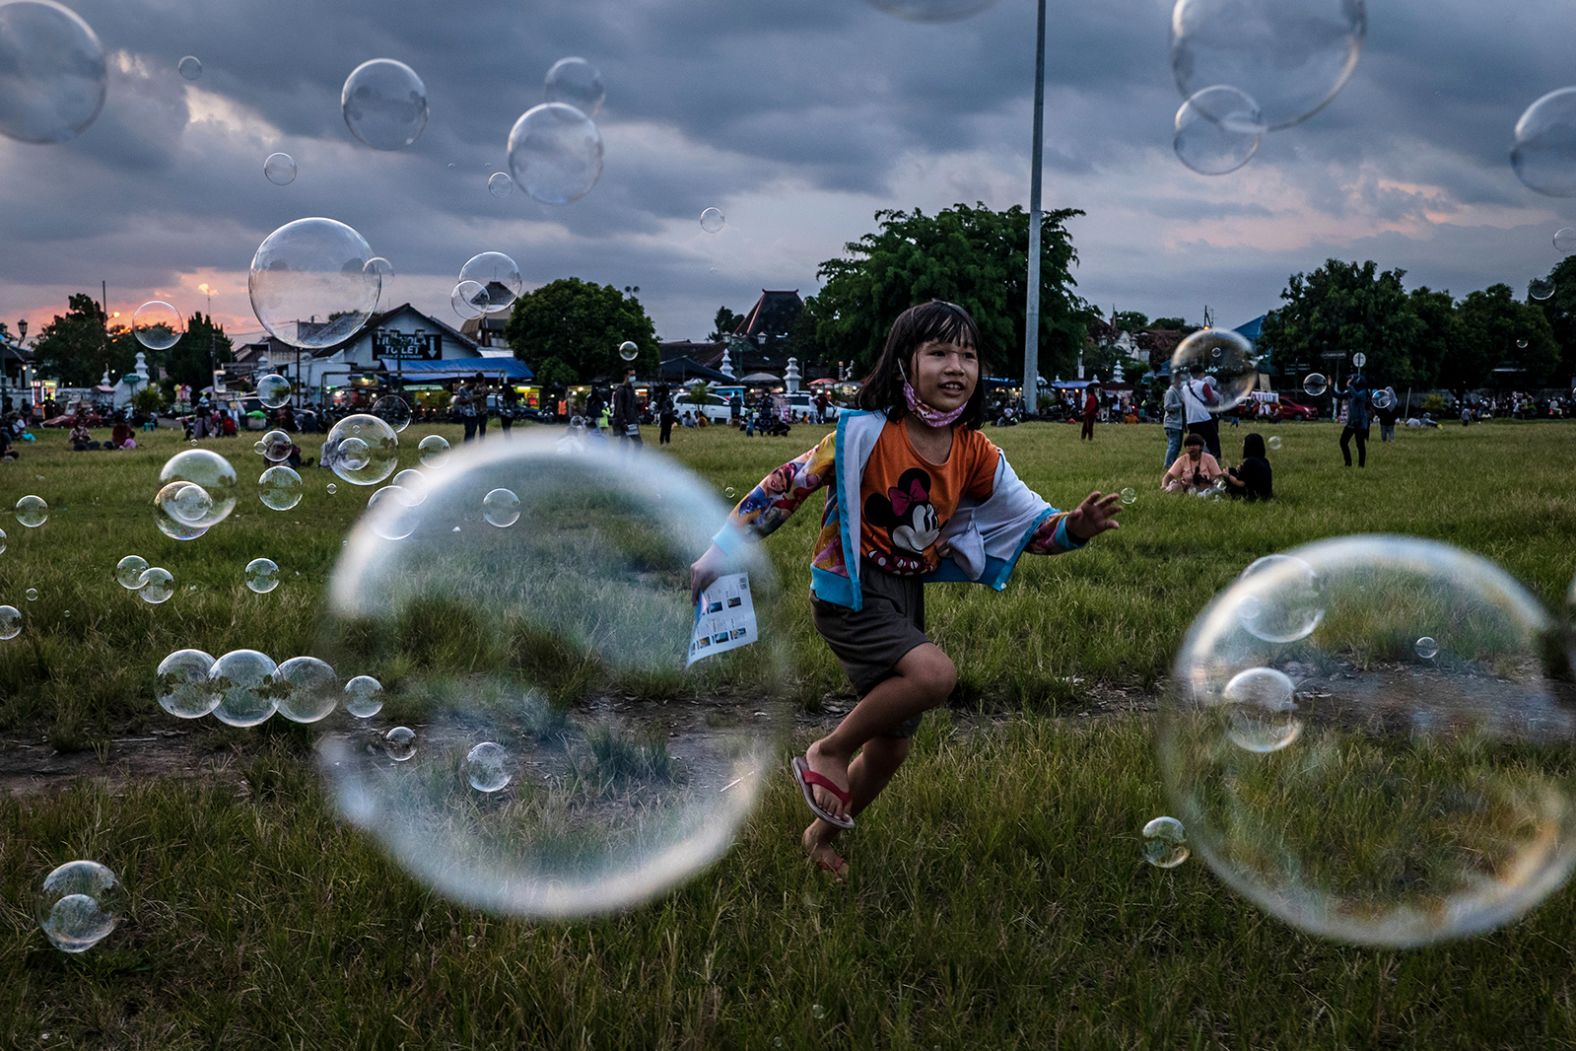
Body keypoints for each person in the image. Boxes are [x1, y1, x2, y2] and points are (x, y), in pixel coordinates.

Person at [688, 300, 1121, 880]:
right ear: (903, 364)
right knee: (934, 676)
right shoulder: (864, 433)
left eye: (967, 355)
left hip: (904, 593)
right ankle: (829, 752)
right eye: (938, 352)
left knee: (893, 745)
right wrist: (718, 554)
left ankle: (819, 836)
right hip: (850, 592)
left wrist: (1074, 529)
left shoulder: (975, 450)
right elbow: (785, 487)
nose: (956, 367)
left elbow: (1030, 523)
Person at [1177, 363, 1221, 459]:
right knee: (1213, 441)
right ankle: (1215, 461)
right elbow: (1212, 400)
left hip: (1191, 420)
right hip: (1204, 418)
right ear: (1201, 374)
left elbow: (1184, 403)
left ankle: (1195, 460)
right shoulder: (1203, 385)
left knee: (1194, 443)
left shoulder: (1185, 387)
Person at [1221, 432, 1273, 501]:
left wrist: (1227, 476)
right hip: (1266, 494)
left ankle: (1230, 494)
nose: (1243, 446)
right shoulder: (1265, 460)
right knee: (1233, 471)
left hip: (1253, 496)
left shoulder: (1250, 462)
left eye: (1244, 443)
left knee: (1231, 471)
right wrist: (1243, 469)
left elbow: (1241, 483)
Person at [1336, 373, 1371, 468]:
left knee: (1360, 444)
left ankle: (1361, 466)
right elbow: (1338, 396)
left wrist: (1349, 386)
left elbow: (1358, 396)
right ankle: (1348, 463)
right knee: (1343, 442)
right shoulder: (1351, 391)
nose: (1350, 380)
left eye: (1352, 379)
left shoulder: (1363, 391)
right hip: (1351, 422)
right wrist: (1329, 387)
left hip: (1360, 423)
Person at [612, 366, 642, 448]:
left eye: (634, 375)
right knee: (632, 444)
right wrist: (624, 422)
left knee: (626, 444)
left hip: (631, 421)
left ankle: (625, 460)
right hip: (626, 422)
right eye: (631, 375)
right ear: (626, 376)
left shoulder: (631, 389)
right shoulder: (621, 390)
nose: (633, 377)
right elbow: (618, 408)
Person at [1161, 379, 1184, 469]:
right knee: (1173, 445)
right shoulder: (1170, 392)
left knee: (1177, 446)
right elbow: (1167, 406)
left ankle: (1173, 465)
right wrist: (1180, 405)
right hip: (1172, 423)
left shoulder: (1179, 393)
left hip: (1178, 424)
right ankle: (1168, 465)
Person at [456, 374, 481, 442]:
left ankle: (471, 445)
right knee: (469, 430)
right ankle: (466, 446)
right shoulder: (461, 390)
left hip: (473, 413)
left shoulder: (472, 390)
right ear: (470, 383)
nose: (475, 385)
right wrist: (470, 399)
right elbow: (459, 401)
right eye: (474, 384)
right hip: (465, 413)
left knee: (473, 430)